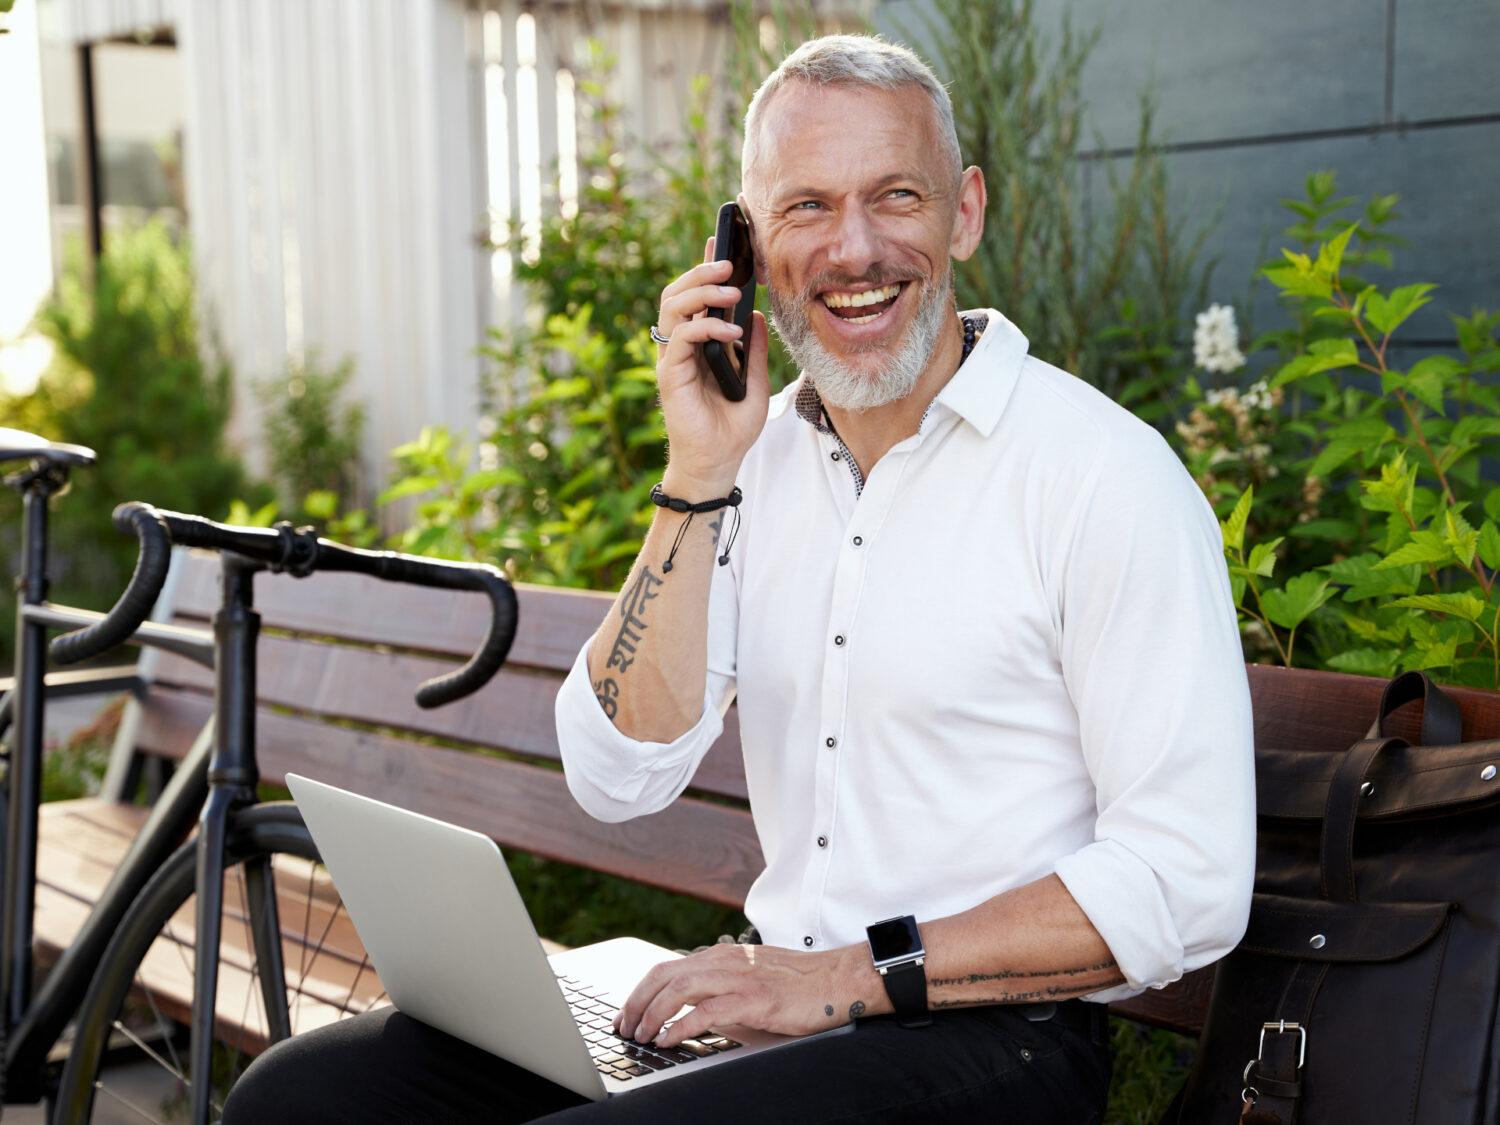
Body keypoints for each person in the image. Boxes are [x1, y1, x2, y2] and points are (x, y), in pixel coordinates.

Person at [224, 33, 1254, 1124]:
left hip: (994, 1044)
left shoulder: (1104, 477)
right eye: (806, 207)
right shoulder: (749, 465)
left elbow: (1185, 878)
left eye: (895, 197)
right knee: (305, 1099)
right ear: (749, 245)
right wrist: (699, 470)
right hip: (783, 1015)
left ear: (966, 212)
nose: (853, 250)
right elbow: (616, 774)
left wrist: (845, 980)